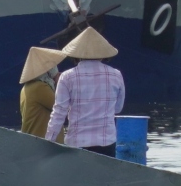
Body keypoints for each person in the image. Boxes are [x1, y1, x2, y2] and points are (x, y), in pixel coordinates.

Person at [44, 28, 125, 156]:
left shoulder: (67, 77)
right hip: (106, 142)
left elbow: (59, 112)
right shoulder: (116, 75)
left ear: (76, 54)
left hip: (77, 142)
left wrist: (49, 141)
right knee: (103, 176)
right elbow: (118, 108)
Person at [18, 47, 67, 138]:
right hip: (43, 144)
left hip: (35, 141)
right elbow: (61, 107)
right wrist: (60, 84)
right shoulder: (40, 87)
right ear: (48, 71)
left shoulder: (28, 87)